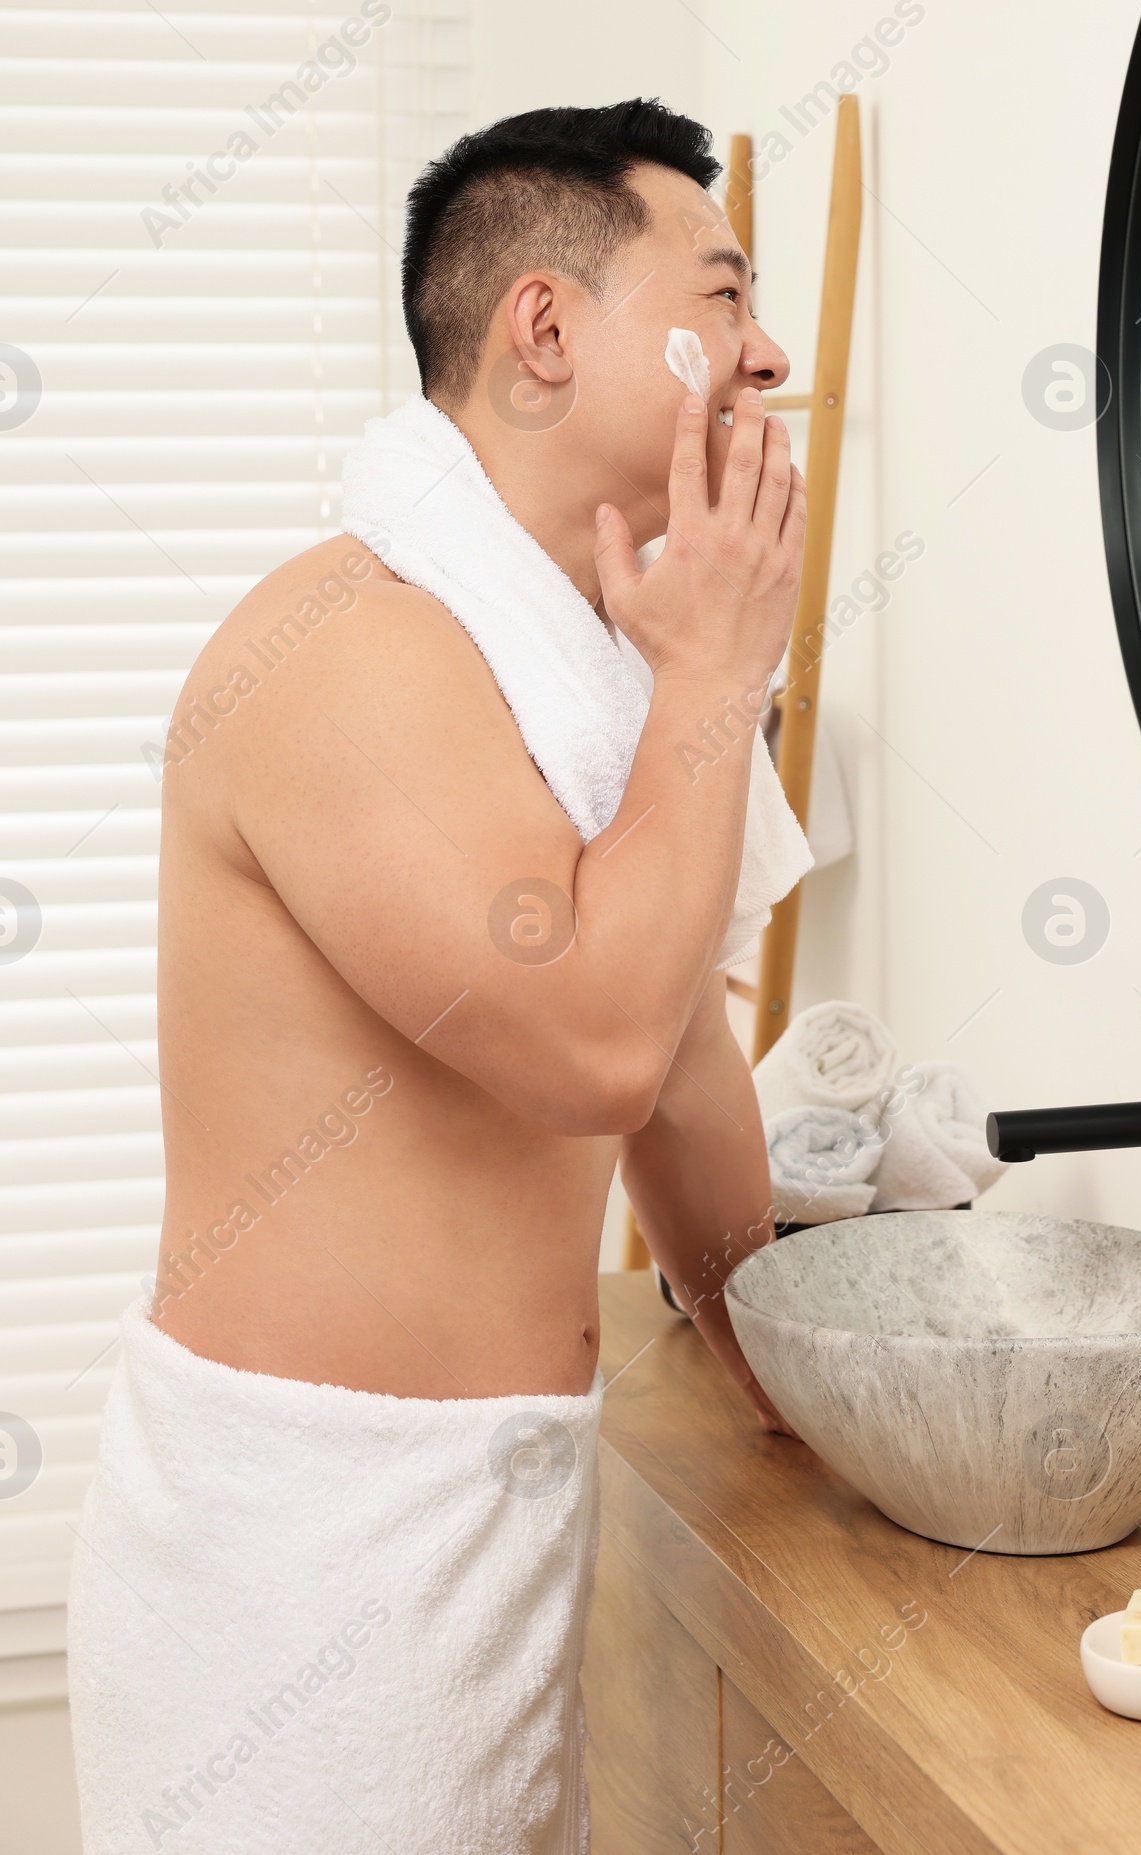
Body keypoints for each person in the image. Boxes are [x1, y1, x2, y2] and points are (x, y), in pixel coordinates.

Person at [68, 100, 810, 1855]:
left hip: (483, 1519)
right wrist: (715, 673)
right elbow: (601, 1048)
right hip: (304, 1560)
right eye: (721, 293)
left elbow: (688, 1067)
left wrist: (789, 1373)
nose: (769, 353)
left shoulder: (584, 680)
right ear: (543, 330)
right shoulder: (347, 655)